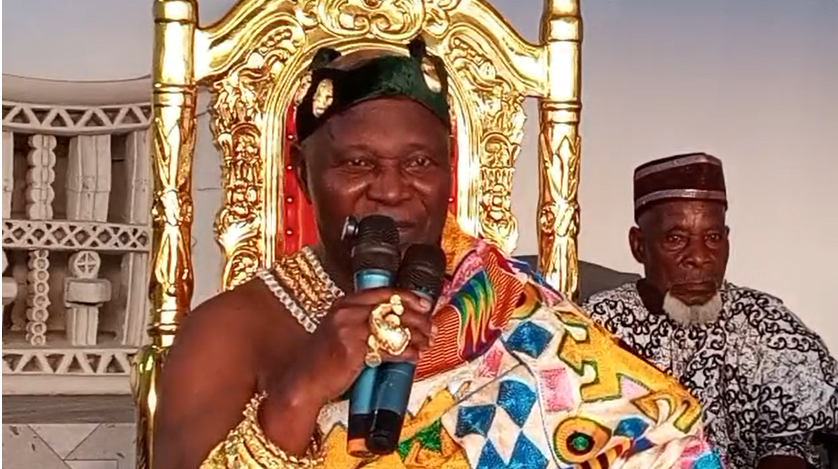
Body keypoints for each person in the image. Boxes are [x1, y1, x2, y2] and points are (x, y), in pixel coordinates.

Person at [152, 39, 722, 469]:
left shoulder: (503, 299)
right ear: (303, 174)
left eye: (419, 163)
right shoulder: (228, 331)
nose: (392, 189)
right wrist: (301, 391)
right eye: (358, 163)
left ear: (449, 174)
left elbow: (659, 443)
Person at [584, 152, 838, 469]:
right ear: (639, 245)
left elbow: (791, 444)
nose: (700, 257)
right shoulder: (600, 326)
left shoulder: (764, 323)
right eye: (676, 238)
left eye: (713, 237)